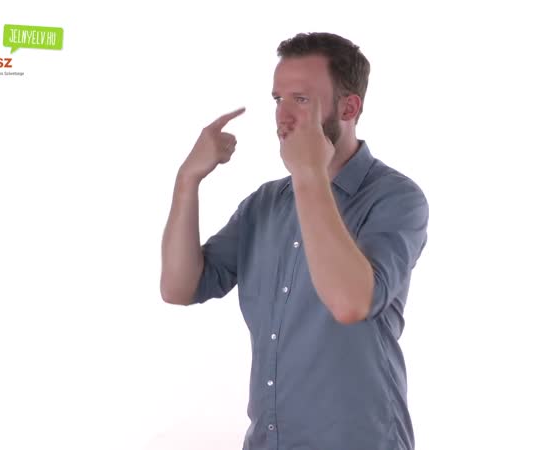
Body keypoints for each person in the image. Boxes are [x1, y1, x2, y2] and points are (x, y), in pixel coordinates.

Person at [160, 31, 429, 450]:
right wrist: (187, 179)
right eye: (277, 99)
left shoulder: (396, 198)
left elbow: (350, 303)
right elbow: (179, 288)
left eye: (301, 99)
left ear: (349, 107)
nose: (282, 117)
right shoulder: (264, 204)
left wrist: (309, 174)